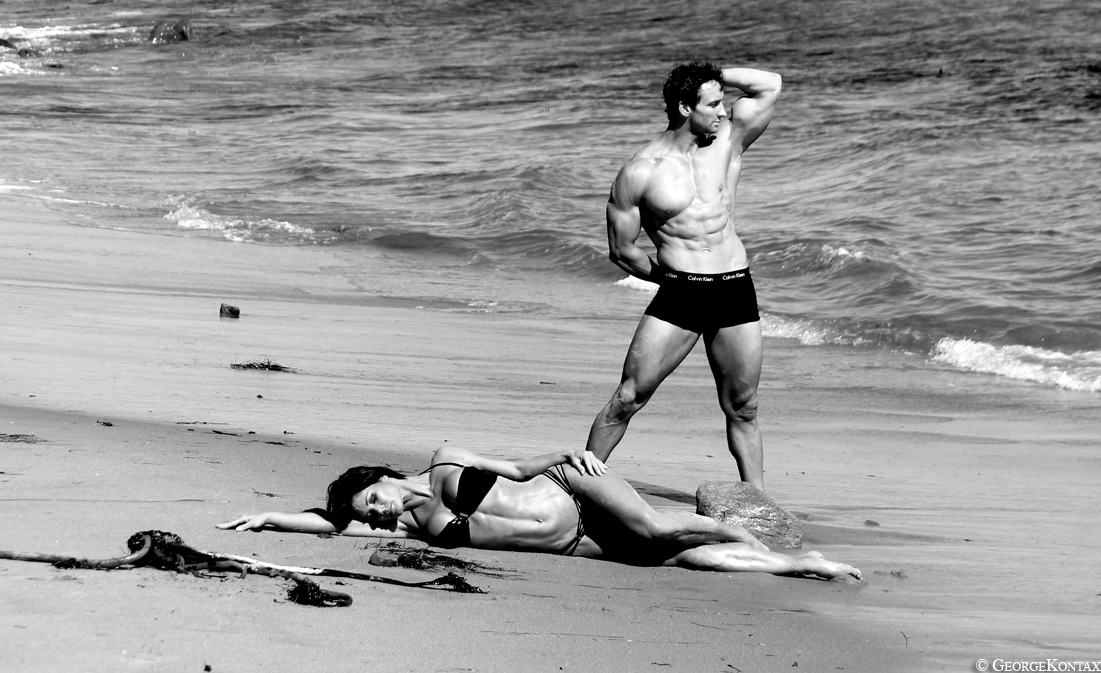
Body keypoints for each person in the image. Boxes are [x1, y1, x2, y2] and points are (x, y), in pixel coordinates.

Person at [218, 445, 860, 579]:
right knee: (685, 561)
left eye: (374, 500)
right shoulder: (412, 525)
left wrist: (568, 455)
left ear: (382, 478)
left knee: (659, 526)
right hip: (575, 543)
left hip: (572, 488)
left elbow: (521, 470)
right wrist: (268, 520)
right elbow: (330, 524)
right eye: (372, 515)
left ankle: (735, 525)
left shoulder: (445, 460)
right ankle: (800, 563)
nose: (380, 516)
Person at [587, 61, 782, 488]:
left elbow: (770, 85)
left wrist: (709, 75)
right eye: (713, 104)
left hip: (734, 288)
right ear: (683, 107)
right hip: (681, 293)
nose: (724, 112)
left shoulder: (728, 141)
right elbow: (622, 250)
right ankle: (580, 488)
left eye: (723, 103)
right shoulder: (641, 171)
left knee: (744, 406)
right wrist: (670, 281)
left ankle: (758, 502)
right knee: (628, 397)